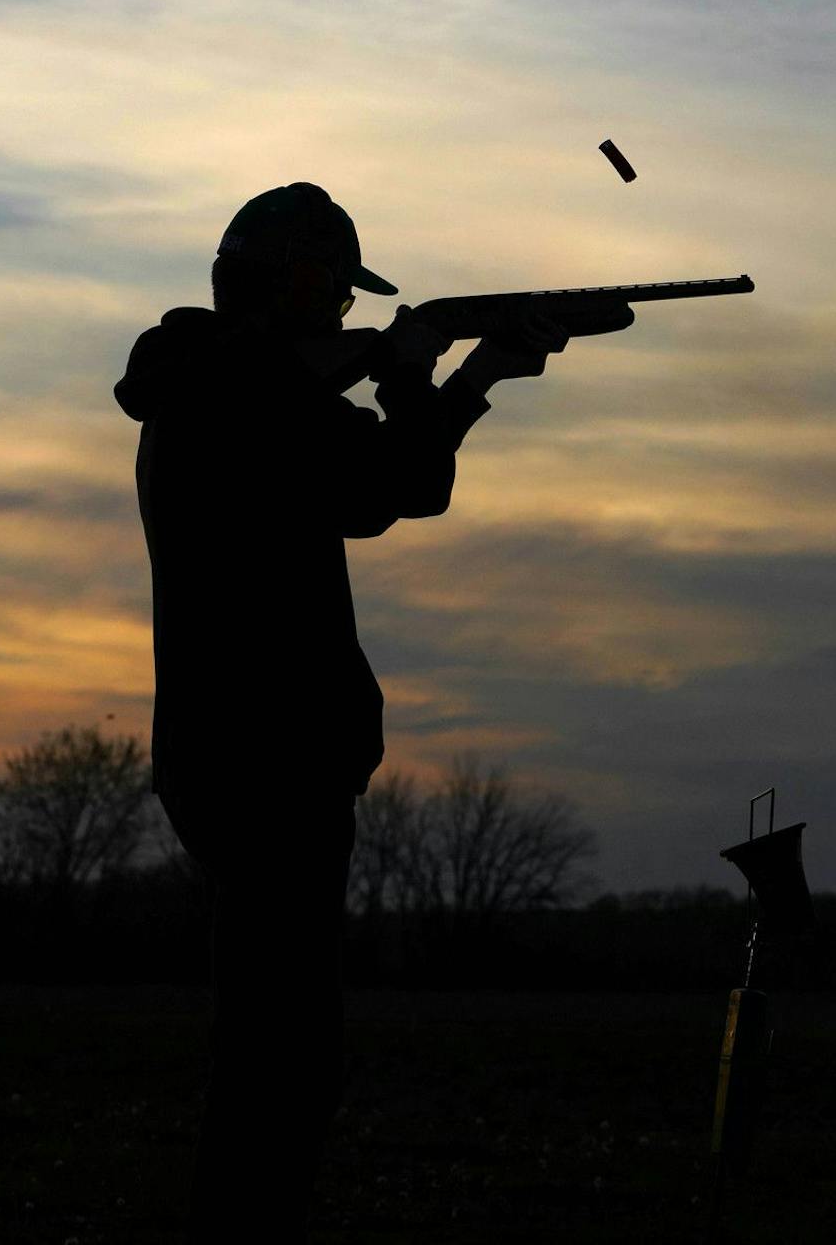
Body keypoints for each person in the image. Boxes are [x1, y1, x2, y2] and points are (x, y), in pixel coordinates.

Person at [113, 183, 631, 1240]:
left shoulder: (229, 394)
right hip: (265, 763)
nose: (346, 314)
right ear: (293, 285)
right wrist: (412, 373)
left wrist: (469, 372)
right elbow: (380, 478)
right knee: (280, 1061)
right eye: (336, 293)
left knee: (278, 1052)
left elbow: (387, 482)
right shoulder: (226, 395)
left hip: (249, 758)